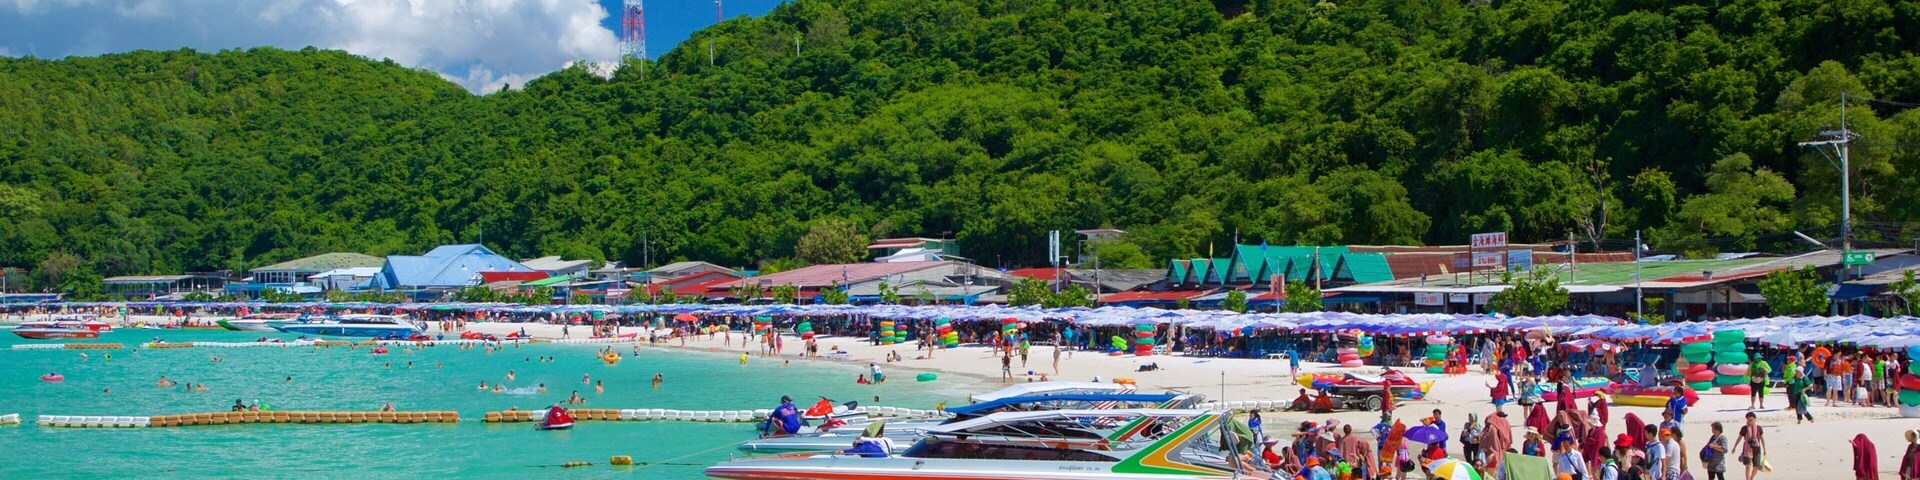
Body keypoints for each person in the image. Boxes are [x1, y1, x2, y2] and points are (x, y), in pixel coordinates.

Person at [1736, 412, 1766, 480]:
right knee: (1748, 466)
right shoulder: (1744, 428)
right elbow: (1739, 437)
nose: (1749, 421)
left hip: (1757, 449)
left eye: (1751, 420)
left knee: (1756, 467)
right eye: (1748, 420)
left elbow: (1762, 438)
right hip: (1747, 449)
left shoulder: (1759, 428)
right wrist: (1735, 447)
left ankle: (1751, 477)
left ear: (1755, 419)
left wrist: (1764, 449)